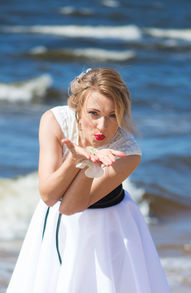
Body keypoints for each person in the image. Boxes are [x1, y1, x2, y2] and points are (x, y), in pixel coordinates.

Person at [7, 68, 170, 293]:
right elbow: (49, 196)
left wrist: (89, 166)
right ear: (78, 108)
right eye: (94, 113)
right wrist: (76, 158)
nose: (102, 127)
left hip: (109, 224)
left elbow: (72, 205)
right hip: (58, 221)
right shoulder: (54, 121)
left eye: (113, 115)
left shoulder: (128, 152)